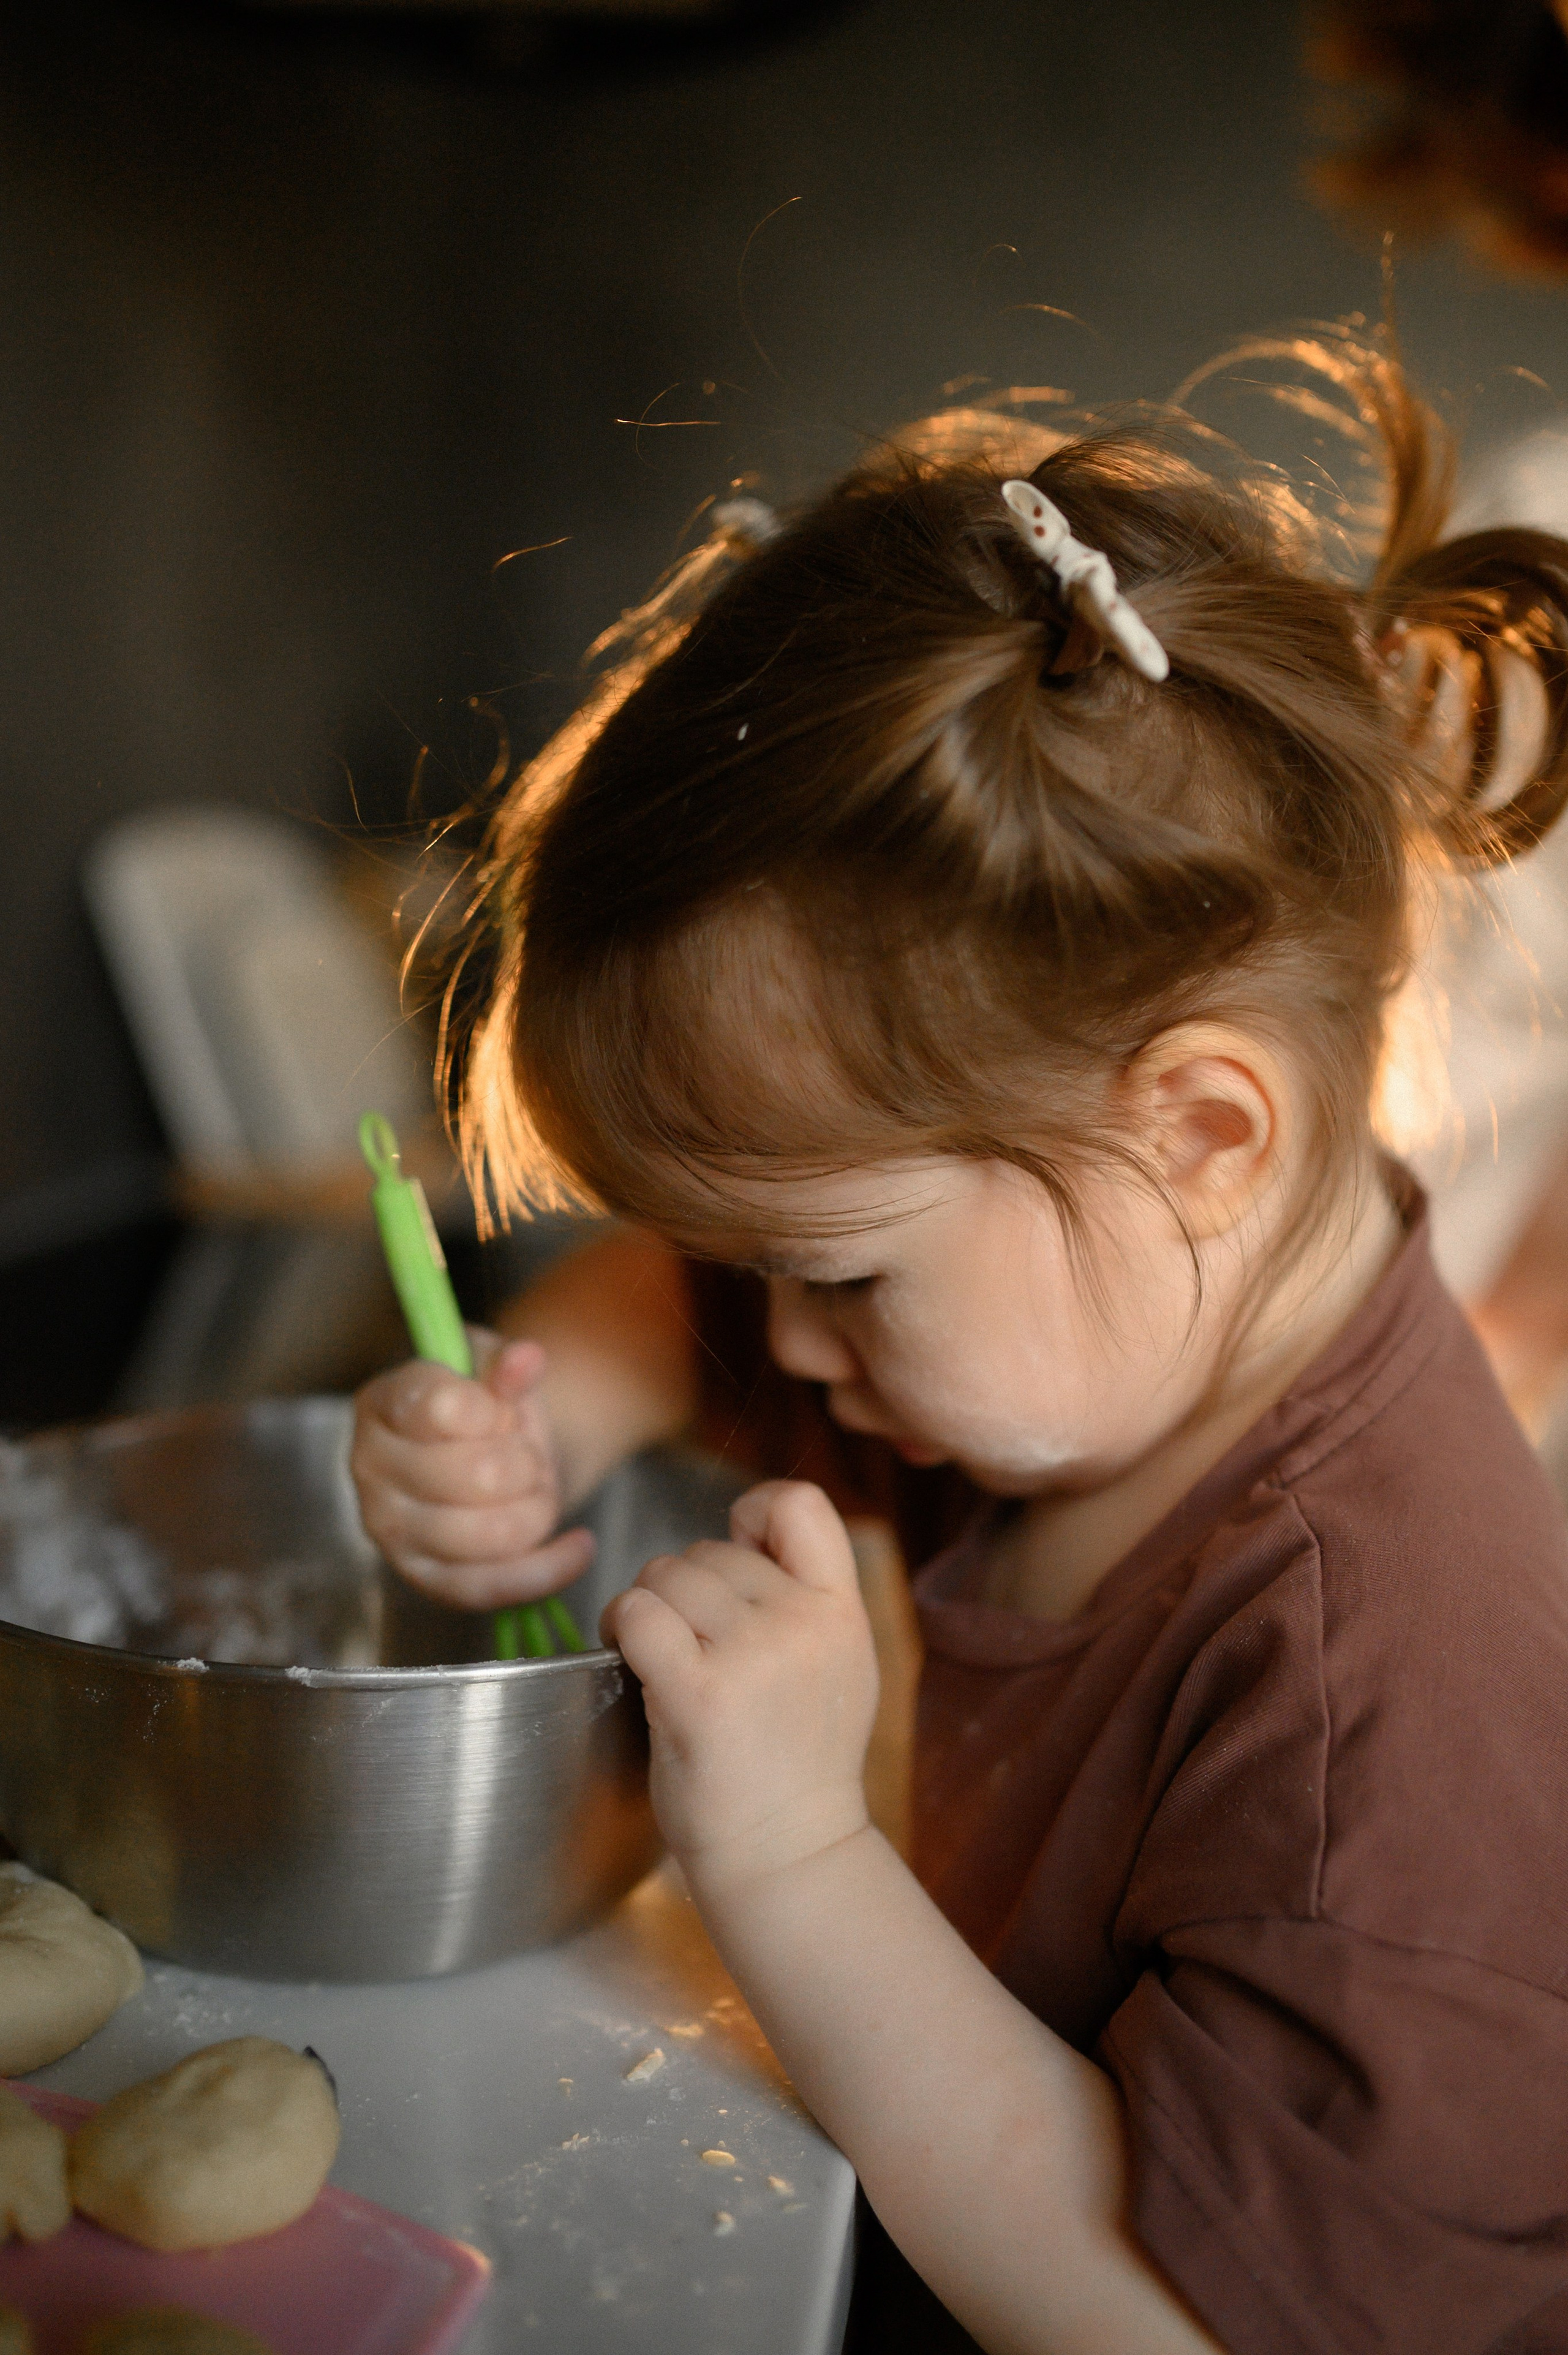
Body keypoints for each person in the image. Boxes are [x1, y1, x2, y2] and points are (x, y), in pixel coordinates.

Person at [350, 337, 1568, 2354]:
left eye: (829, 1265)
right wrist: (536, 1422)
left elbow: (1165, 2322)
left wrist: (797, 1852)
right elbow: (696, 1291)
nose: (780, 1336)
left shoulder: (1391, 1709)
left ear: (1199, 1131)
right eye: (750, 1258)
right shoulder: (1106, 1319)